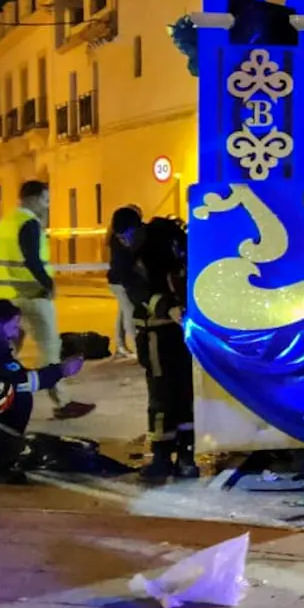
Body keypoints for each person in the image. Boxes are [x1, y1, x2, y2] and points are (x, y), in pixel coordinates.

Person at [0, 181, 93, 419]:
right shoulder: (29, 223)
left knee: (6, 351)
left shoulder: (6, 222)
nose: (47, 205)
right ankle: (62, 402)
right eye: (45, 200)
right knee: (50, 347)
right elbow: (32, 260)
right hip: (33, 296)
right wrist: (49, 284)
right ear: (33, 198)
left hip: (5, 299)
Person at [0, 299, 87, 484]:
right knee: (18, 397)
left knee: (16, 395)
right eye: (13, 324)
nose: (16, 330)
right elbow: (19, 381)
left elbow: (16, 374)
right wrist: (60, 371)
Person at [130, 216, 198, 483]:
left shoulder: (147, 255)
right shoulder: (179, 254)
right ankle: (184, 457)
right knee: (182, 396)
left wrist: (167, 307)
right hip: (174, 335)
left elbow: (143, 292)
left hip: (161, 337)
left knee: (163, 396)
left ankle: (163, 458)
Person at [106, 206, 143, 360]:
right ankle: (138, 349)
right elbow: (126, 262)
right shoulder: (123, 237)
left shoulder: (114, 235)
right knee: (130, 314)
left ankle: (120, 345)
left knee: (122, 313)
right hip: (121, 281)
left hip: (116, 279)